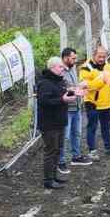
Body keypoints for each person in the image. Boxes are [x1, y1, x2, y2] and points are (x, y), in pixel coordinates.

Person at [35, 57, 79, 189]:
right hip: (49, 124)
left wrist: (73, 92)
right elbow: (45, 101)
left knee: (57, 150)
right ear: (52, 68)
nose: (63, 69)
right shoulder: (45, 83)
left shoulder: (58, 81)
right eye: (60, 67)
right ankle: (48, 180)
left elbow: (61, 94)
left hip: (59, 121)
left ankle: (54, 176)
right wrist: (63, 100)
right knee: (50, 151)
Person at [78, 46, 110, 157]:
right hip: (92, 103)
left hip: (107, 102)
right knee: (92, 126)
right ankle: (92, 150)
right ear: (94, 55)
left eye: (104, 56)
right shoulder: (86, 68)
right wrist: (101, 80)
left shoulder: (109, 67)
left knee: (106, 126)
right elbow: (85, 86)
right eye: (99, 56)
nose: (101, 58)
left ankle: (108, 146)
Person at [60, 47, 91, 169]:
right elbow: (61, 88)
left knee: (77, 133)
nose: (75, 60)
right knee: (65, 136)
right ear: (65, 58)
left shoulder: (72, 69)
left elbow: (73, 85)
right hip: (66, 109)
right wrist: (76, 89)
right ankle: (61, 161)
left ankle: (76, 156)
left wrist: (81, 86)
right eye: (73, 58)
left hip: (77, 106)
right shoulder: (60, 71)